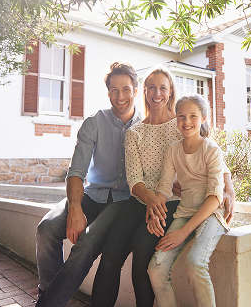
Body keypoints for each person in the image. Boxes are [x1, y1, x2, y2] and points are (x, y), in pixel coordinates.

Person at [91, 67, 235, 307]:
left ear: (170, 93)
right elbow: (134, 177)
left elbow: (209, 153)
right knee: (110, 254)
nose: (157, 93)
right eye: (152, 88)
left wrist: (227, 186)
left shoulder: (181, 123)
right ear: (144, 92)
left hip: (174, 202)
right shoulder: (136, 131)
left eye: (163, 88)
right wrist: (152, 201)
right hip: (145, 198)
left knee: (143, 245)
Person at [34, 62, 142, 307]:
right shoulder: (94, 122)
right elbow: (76, 172)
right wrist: (74, 208)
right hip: (91, 195)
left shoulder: (146, 127)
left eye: (126, 89)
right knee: (47, 228)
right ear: (108, 93)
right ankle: (48, 293)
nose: (120, 96)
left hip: (123, 202)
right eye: (114, 90)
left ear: (136, 90)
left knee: (87, 244)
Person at [147, 94, 229, 307]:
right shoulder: (173, 149)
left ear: (203, 118)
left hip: (212, 214)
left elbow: (215, 197)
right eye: (181, 116)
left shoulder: (212, 150)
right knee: (156, 270)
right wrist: (155, 212)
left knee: (195, 263)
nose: (186, 121)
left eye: (193, 115)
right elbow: (164, 188)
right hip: (184, 213)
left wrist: (183, 233)